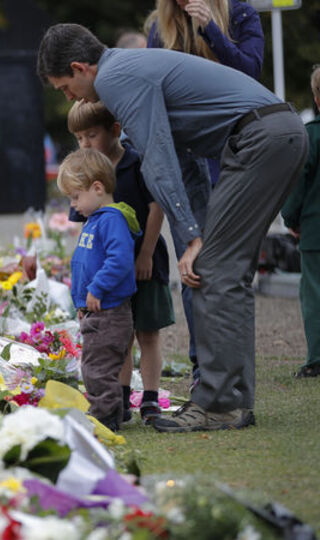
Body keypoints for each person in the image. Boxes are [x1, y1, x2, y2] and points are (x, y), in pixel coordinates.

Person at [37, 23, 308, 432]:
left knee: (213, 269)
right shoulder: (128, 67)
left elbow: (157, 159)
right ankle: (233, 401)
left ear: (79, 67)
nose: (69, 97)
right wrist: (194, 231)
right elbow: (187, 161)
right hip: (270, 135)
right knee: (224, 271)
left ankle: (220, 404)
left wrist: (195, 237)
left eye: (64, 87)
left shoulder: (115, 77)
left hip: (260, 139)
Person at [145, 0, 264, 385]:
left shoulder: (241, 14)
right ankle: (204, 370)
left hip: (235, 159)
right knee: (193, 269)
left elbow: (251, 74)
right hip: (186, 165)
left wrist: (212, 29)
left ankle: (235, 370)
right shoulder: (159, 29)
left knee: (229, 273)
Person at [66, 101, 175, 424]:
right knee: (120, 337)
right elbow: (85, 230)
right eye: (79, 138)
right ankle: (122, 397)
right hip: (109, 276)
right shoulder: (85, 176)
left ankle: (151, 399)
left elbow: (157, 208)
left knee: (148, 332)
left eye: (91, 135)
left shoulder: (136, 164)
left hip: (145, 261)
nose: (85, 143)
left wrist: (144, 254)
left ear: (114, 131)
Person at [58, 148, 138, 432]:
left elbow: (120, 260)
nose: (73, 204)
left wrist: (98, 288)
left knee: (97, 368)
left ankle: (104, 418)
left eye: (75, 197)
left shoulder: (111, 220)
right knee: (95, 364)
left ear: (97, 187)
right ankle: (112, 412)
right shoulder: (95, 219)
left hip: (109, 311)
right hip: (96, 310)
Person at [281, 66, 320, 379]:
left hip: (315, 229)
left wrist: (290, 218)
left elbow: (298, 183)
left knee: (315, 293)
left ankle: (317, 358)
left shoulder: (311, 135)